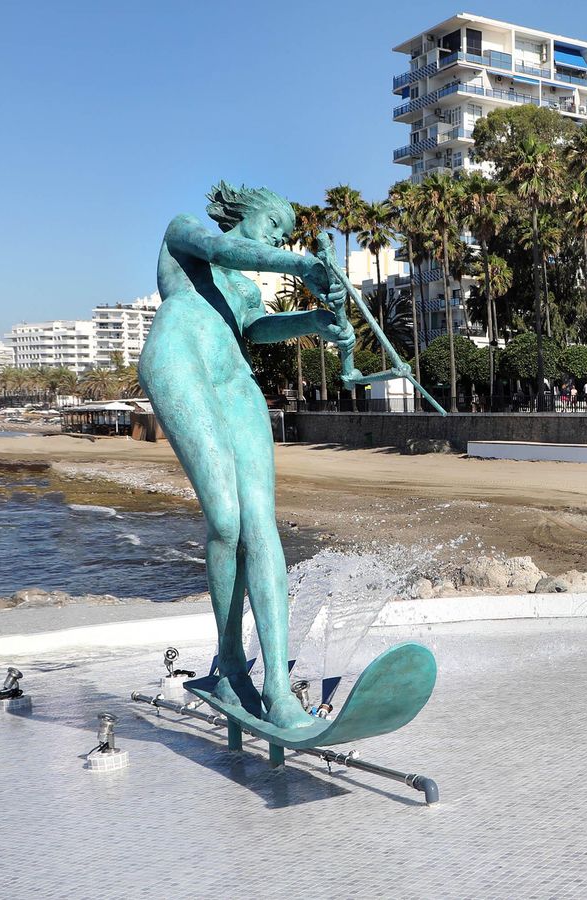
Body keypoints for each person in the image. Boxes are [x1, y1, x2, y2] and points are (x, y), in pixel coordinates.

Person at [139, 181, 355, 730]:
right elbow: (224, 249)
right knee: (226, 519)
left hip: (235, 382)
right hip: (180, 358)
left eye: (286, 236)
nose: (279, 238)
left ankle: (277, 686)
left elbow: (255, 329)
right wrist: (301, 264)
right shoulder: (185, 234)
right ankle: (231, 665)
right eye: (275, 226)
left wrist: (317, 322)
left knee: (261, 524)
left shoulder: (246, 290)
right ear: (248, 212)